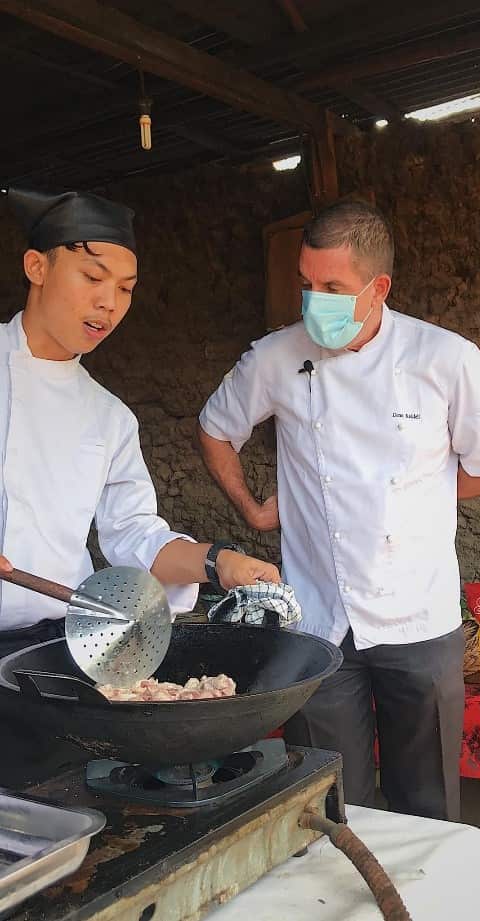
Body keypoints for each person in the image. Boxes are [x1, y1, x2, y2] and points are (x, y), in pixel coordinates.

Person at [198, 199, 480, 821]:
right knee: (329, 802)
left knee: (427, 801)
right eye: (306, 285)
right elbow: (214, 430)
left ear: (379, 288)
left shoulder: (445, 358)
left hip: (418, 618)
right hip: (319, 620)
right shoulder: (275, 356)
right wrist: (253, 510)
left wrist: (412, 491)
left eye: (333, 288)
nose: (314, 301)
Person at [0, 186, 279, 784]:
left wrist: (218, 562)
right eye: (93, 277)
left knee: (53, 812)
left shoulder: (108, 417)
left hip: (52, 657)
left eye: (124, 289)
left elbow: (136, 539)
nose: (108, 304)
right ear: (37, 266)